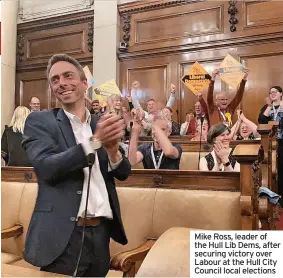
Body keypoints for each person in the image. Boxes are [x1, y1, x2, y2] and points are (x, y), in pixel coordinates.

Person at [22, 54, 131, 277]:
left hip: (101, 234)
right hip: (64, 235)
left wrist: (112, 151)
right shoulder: (40, 122)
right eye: (55, 79)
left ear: (84, 83)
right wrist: (95, 142)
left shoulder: (99, 123)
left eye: (68, 76)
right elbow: (46, 168)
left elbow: (123, 173)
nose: (61, 83)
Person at [258, 86, 283, 206]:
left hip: (282, 142)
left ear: (281, 94)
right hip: (269, 143)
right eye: (270, 92)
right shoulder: (267, 107)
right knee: (271, 168)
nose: (272, 94)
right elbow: (262, 121)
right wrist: (268, 106)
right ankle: (273, 195)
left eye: (275, 92)